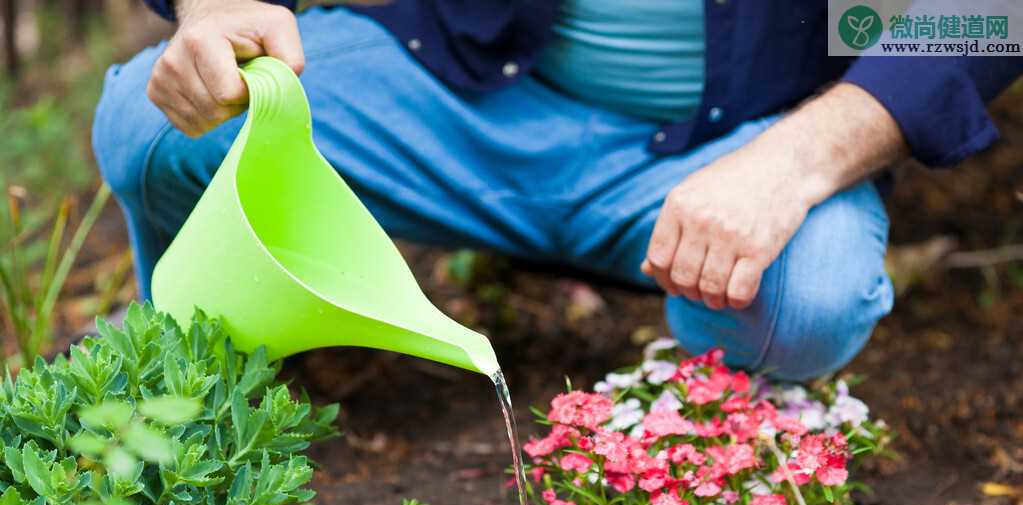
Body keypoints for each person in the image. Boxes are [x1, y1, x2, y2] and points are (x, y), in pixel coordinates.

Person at [92, 0, 1022, 380]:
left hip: (741, 144)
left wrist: (797, 159)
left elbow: (990, 16)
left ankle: (698, 435)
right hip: (462, 92)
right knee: (154, 125)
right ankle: (239, 381)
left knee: (807, 303)